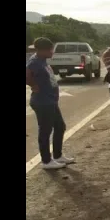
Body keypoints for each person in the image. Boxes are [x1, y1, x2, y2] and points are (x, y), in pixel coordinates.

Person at [26, 37, 75, 170]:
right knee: (45, 131)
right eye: (49, 49)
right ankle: (46, 161)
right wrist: (33, 85)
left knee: (60, 126)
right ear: (41, 50)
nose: (52, 52)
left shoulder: (42, 61)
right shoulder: (35, 62)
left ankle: (58, 156)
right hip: (42, 102)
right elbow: (27, 75)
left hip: (50, 101)